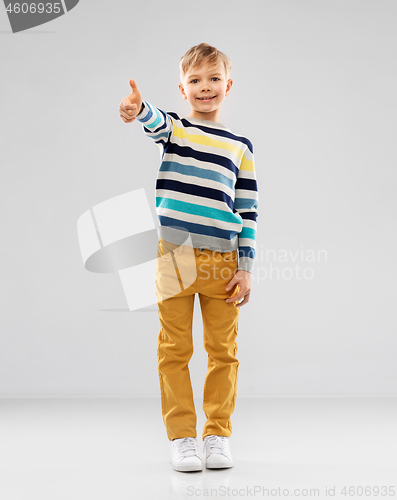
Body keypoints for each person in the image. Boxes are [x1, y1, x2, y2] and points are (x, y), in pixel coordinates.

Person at [119, 42, 259, 472]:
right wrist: (139, 109)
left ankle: (217, 435)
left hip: (222, 262)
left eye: (214, 79)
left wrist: (246, 267)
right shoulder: (175, 130)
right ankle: (182, 438)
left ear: (228, 85)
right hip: (174, 256)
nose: (205, 87)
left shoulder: (240, 146)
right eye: (195, 80)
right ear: (182, 89)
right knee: (174, 350)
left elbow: (249, 209)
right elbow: (154, 122)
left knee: (223, 352)